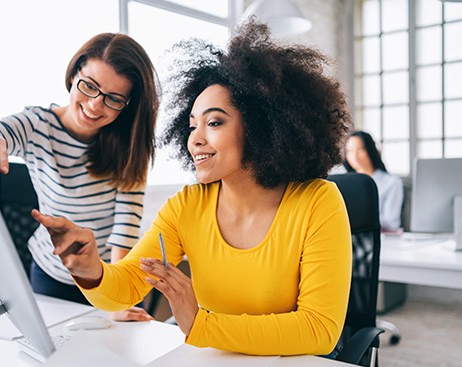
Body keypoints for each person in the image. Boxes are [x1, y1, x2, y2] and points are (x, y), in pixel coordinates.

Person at [33, 19, 353, 356]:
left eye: (214, 122)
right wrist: (91, 269)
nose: (195, 140)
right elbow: (127, 285)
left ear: (261, 126)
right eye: (191, 125)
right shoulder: (188, 205)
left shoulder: (317, 201)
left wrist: (201, 323)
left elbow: (319, 330)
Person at [0, 33, 158, 321]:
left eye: (114, 99)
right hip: (49, 272)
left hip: (102, 277)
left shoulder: (130, 146)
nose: (94, 105)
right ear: (74, 73)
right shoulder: (38, 125)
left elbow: (125, 229)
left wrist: (114, 297)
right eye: (89, 86)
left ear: (128, 105)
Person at [344, 131, 404, 232]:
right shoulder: (344, 182)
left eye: (360, 149)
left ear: (370, 150)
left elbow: (392, 223)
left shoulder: (392, 183)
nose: (355, 156)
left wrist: (360, 216)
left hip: (381, 238)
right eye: (349, 151)